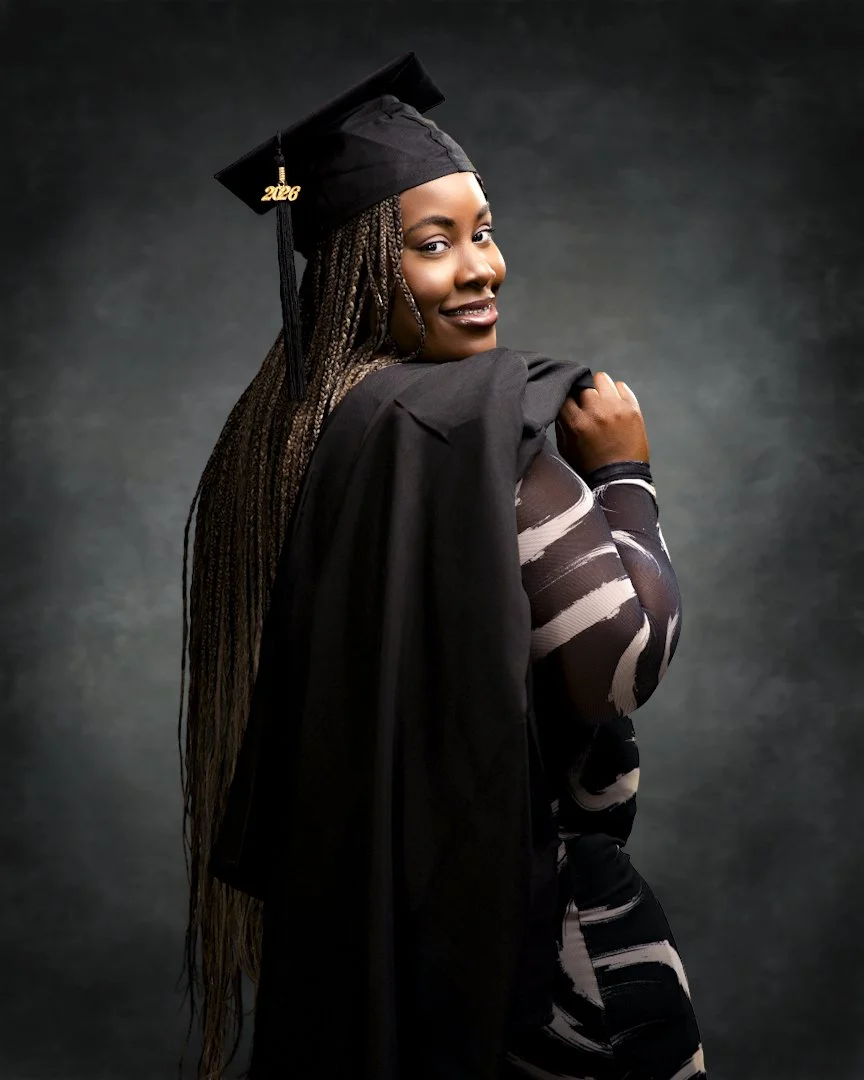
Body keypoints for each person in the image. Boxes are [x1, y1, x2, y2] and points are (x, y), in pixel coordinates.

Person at [177, 53, 706, 1080]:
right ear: (357, 268)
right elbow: (616, 666)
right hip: (547, 944)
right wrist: (626, 474)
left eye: (484, 229)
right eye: (434, 244)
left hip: (379, 942)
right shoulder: (469, 429)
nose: (484, 268)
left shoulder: (296, 439)